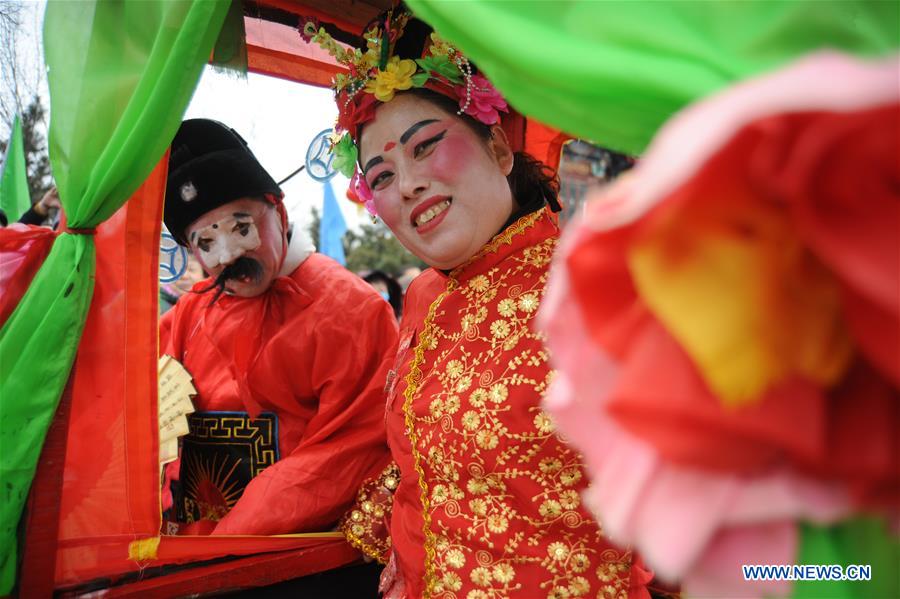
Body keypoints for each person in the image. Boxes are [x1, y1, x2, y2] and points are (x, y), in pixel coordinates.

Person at [307, 12, 652, 598]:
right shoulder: (422, 295)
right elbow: (424, 472)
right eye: (382, 175)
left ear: (497, 148)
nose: (408, 184)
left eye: (425, 147)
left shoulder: (601, 281)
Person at [159, 119, 399, 542]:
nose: (229, 255)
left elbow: (345, 451)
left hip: (285, 555)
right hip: (190, 548)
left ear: (280, 212)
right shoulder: (188, 313)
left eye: (241, 228)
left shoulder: (347, 309)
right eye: (206, 243)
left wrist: (227, 544)